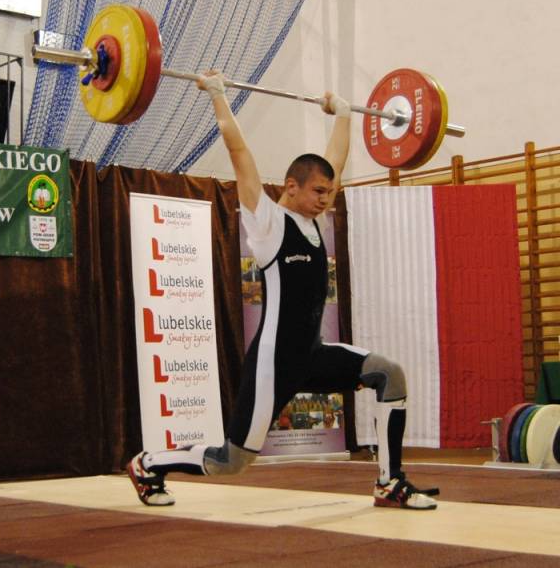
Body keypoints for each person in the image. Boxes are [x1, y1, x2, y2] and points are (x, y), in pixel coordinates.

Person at [126, 71, 440, 511]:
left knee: (390, 375)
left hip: (310, 355)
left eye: (329, 192)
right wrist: (218, 96)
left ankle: (389, 483)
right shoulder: (269, 223)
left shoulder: (315, 220)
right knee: (231, 461)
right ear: (291, 187)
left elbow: (334, 160)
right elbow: (240, 154)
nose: (326, 199)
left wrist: (344, 115)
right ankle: (148, 464)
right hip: (273, 367)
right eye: (318, 191)